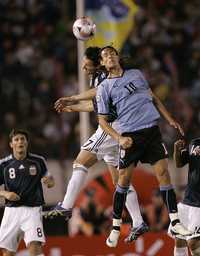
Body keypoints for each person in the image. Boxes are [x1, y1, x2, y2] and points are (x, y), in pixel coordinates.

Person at [46, 47, 148, 242]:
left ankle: (66, 207)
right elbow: (95, 104)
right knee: (120, 181)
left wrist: (73, 98)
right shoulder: (98, 77)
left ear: (97, 63)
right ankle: (138, 221)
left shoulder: (104, 74)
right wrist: (72, 107)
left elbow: (97, 94)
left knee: (80, 162)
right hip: (119, 128)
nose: (83, 66)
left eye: (85, 62)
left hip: (111, 128)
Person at [96, 45, 192, 247]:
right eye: (105, 56)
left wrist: (170, 118)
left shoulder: (136, 74)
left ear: (118, 57)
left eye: (112, 53)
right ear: (103, 64)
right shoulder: (104, 87)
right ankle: (115, 227)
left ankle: (175, 221)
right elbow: (103, 121)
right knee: (123, 180)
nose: (110, 56)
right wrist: (119, 138)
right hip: (130, 136)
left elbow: (153, 98)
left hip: (151, 131)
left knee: (164, 174)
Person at [0, 129, 55, 256]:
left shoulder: (38, 161)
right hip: (11, 211)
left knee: (34, 246)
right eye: (16, 139)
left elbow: (51, 181)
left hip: (33, 210)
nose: (20, 142)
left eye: (22, 139)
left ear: (27, 143)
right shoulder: (4, 164)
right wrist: (5, 194)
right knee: (7, 253)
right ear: (11, 144)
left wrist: (49, 182)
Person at [169, 138, 200, 256]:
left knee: (193, 243)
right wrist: (177, 150)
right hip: (187, 200)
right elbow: (179, 163)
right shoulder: (195, 143)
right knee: (179, 240)